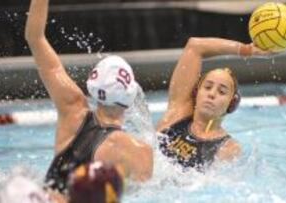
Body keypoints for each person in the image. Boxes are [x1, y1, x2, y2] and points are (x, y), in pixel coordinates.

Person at [25, 0, 153, 199]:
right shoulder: (140, 152)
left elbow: (34, 37)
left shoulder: (72, 110)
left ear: (93, 85)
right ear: (130, 96)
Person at [156, 37, 268, 171]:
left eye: (221, 92)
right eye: (208, 87)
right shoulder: (176, 115)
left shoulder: (227, 147)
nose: (212, 94)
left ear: (231, 104)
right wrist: (246, 50)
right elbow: (195, 46)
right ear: (197, 92)